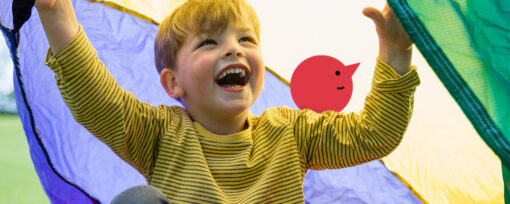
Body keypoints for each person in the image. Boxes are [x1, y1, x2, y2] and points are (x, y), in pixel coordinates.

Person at [35, 0, 420, 202]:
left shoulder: (290, 133)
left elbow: (374, 134)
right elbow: (96, 100)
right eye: (209, 42)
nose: (234, 50)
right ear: (173, 82)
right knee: (139, 201)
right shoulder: (159, 135)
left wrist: (396, 50)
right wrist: (58, 14)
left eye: (246, 40)